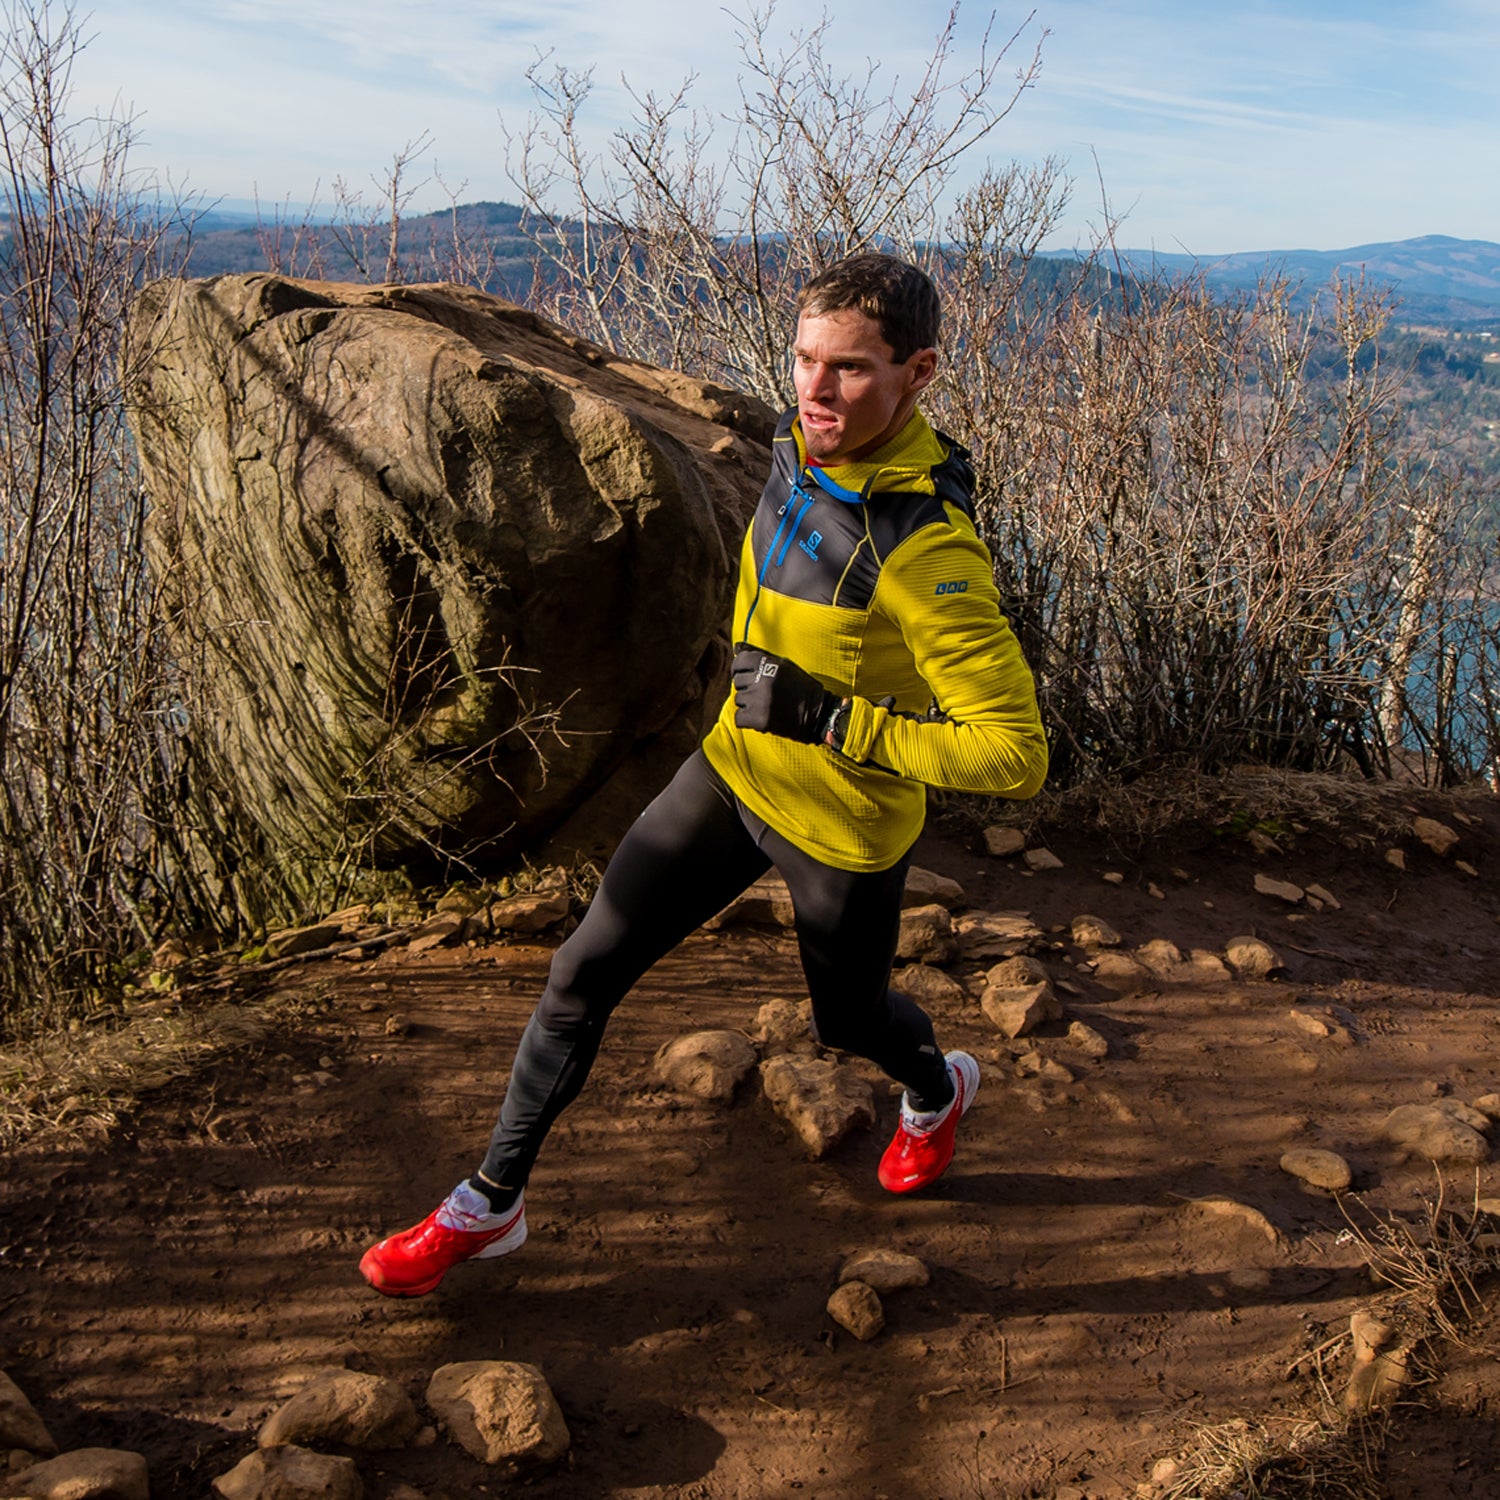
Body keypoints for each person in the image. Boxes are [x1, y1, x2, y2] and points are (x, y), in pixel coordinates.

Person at [360, 253, 1047, 1298]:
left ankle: (937, 1087)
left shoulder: (929, 552)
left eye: (851, 370)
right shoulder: (795, 447)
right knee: (581, 971)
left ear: (921, 373)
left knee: (851, 1023)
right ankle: (490, 1201)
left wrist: (834, 721)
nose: (817, 392)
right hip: (730, 774)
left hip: (839, 827)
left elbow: (1014, 755)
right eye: (805, 360)